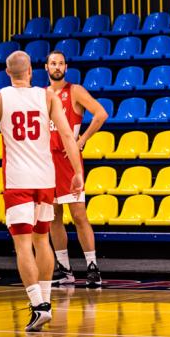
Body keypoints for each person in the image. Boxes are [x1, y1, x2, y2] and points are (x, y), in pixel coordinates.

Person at [0, 50, 84, 332]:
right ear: (32, 72)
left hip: (18, 181)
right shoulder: (46, 96)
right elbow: (68, 135)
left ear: (7, 73)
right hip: (46, 178)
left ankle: (37, 304)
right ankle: (45, 302)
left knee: (23, 244)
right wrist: (77, 172)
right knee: (42, 240)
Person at [45, 50, 109, 287]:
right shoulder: (40, 94)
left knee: (79, 215)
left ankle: (92, 267)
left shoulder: (75, 91)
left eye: (61, 63)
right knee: (53, 217)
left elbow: (101, 113)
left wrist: (82, 140)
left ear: (66, 66)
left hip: (69, 160)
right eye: (53, 63)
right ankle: (65, 270)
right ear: (46, 67)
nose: (57, 66)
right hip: (47, 161)